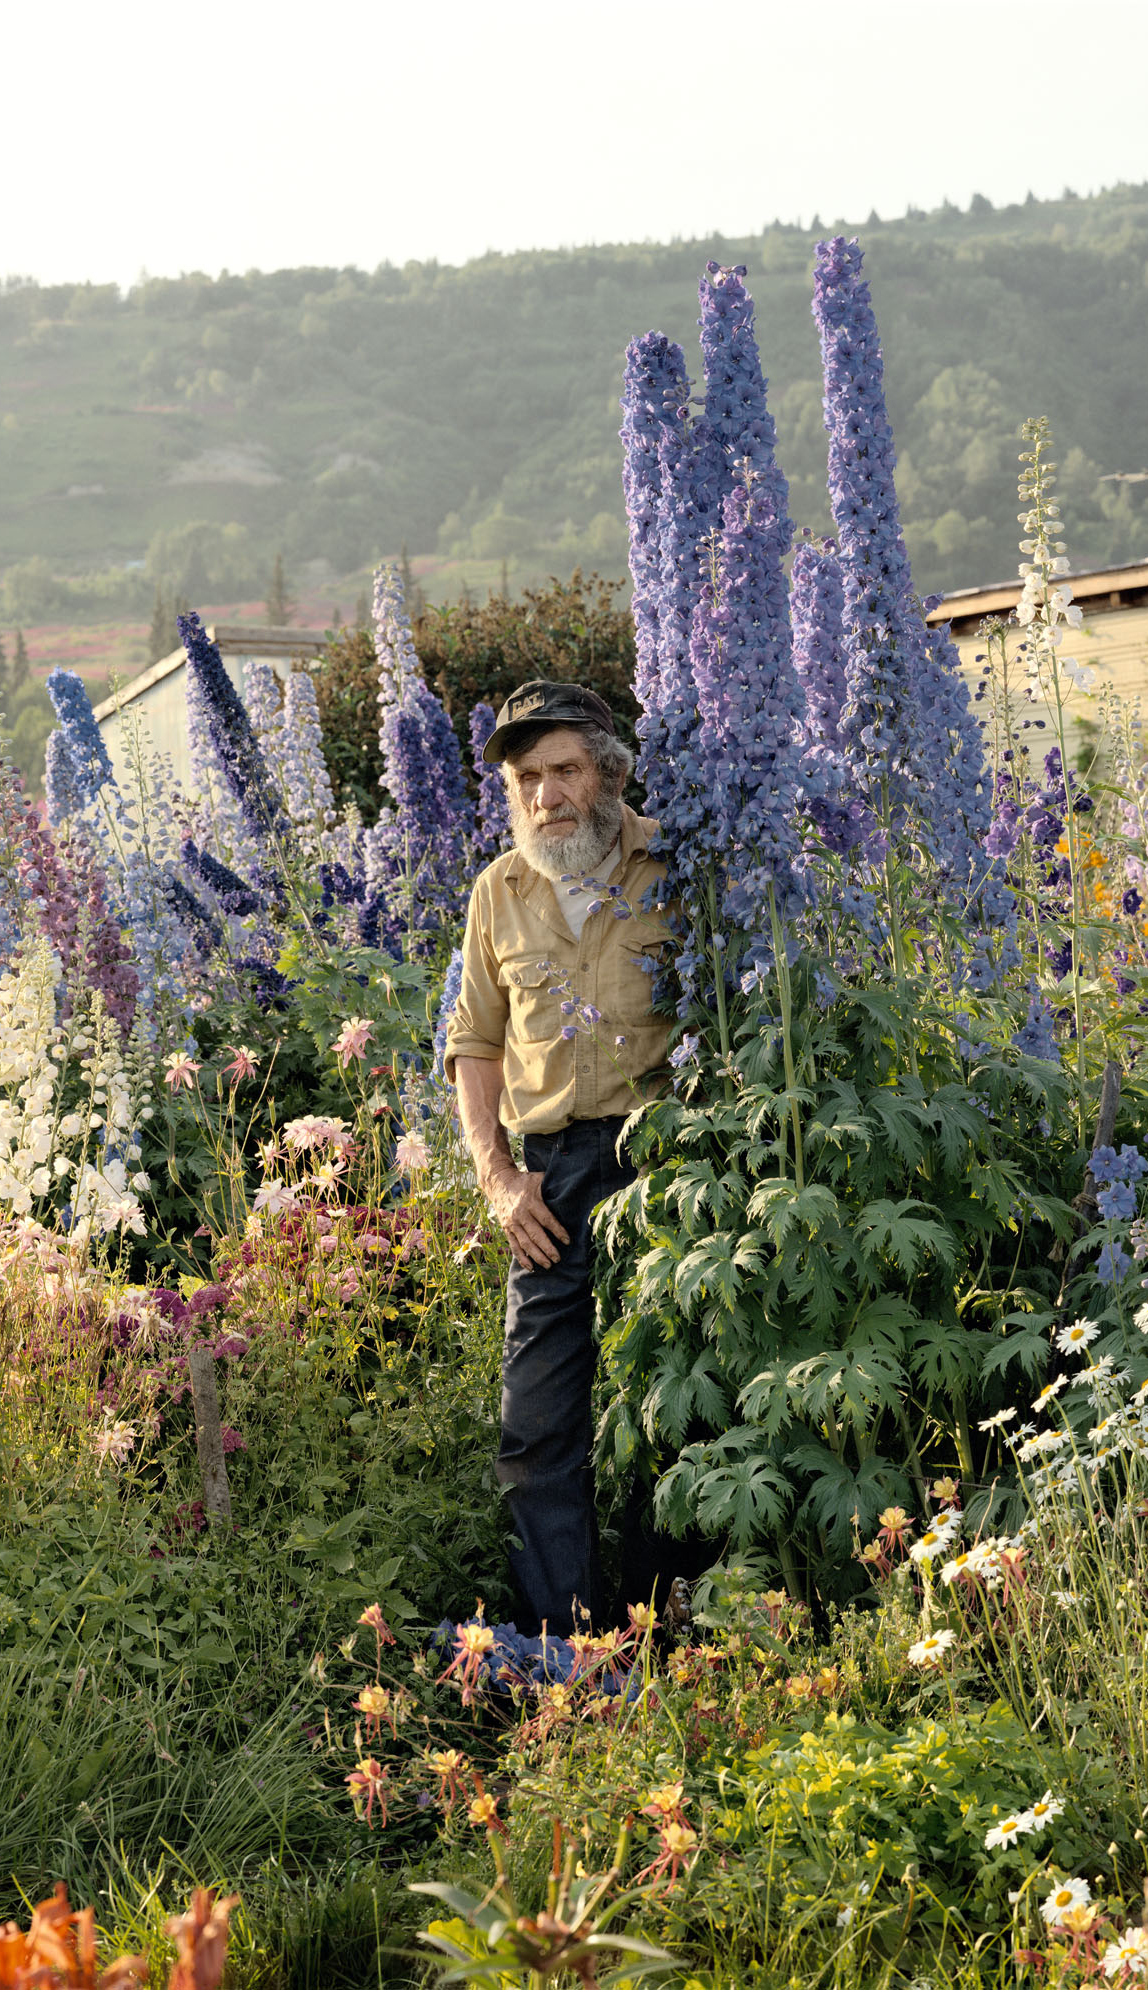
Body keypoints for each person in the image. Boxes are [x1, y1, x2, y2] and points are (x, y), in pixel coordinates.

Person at [443, 680, 674, 1636]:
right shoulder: (500, 890)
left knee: (673, 1406)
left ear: (608, 773)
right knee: (538, 1423)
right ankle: (566, 1652)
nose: (546, 797)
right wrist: (498, 1180)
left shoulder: (678, 864)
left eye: (565, 771)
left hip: (665, 1165)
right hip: (549, 1179)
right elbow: (475, 1045)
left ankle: (679, 1636)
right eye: (528, 778)